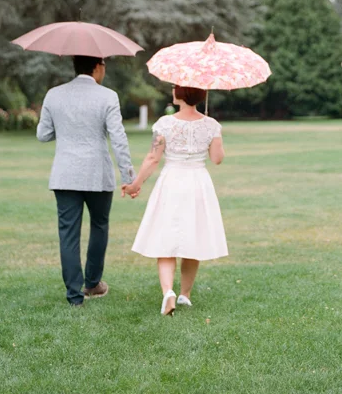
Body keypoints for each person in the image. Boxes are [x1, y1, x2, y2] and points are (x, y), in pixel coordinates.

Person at [37, 55, 135, 306]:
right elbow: (118, 138)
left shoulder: (54, 94)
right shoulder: (108, 96)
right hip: (97, 174)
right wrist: (128, 176)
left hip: (65, 174)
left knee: (68, 233)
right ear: (98, 66)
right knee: (99, 225)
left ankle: (74, 295)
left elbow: (43, 134)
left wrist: (67, 129)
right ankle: (92, 284)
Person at [123, 85, 227, 315]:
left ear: (180, 94)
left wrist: (135, 184)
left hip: (172, 181)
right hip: (198, 182)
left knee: (166, 238)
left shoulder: (164, 124)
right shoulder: (211, 125)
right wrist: (214, 134)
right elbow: (217, 158)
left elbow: (153, 158)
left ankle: (168, 291)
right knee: (193, 237)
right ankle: (184, 295)